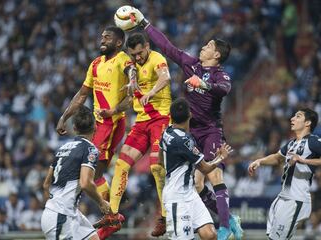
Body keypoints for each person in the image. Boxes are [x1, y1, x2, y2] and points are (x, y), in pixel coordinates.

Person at [128, 7, 243, 240]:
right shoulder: (191, 65)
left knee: (215, 177)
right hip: (191, 132)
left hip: (211, 131)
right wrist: (145, 24)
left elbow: (225, 89)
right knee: (198, 187)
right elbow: (168, 48)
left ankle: (225, 227)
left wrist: (203, 84)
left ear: (217, 55)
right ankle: (229, 218)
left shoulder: (221, 75)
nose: (203, 47)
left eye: (209, 46)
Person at [95, 32, 171, 239]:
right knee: (121, 164)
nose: (138, 58)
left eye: (140, 53)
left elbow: (166, 78)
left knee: (156, 166)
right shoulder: (130, 67)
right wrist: (113, 111)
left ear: (147, 46)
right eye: (134, 55)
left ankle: (164, 217)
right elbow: (130, 99)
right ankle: (112, 214)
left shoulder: (157, 59)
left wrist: (150, 93)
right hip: (141, 122)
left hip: (161, 119)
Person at [56, 26, 138, 203]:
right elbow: (82, 94)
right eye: (102, 37)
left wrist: (132, 81)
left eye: (107, 37)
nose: (102, 40)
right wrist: (64, 117)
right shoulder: (95, 64)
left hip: (111, 122)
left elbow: (131, 70)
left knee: (91, 171)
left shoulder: (122, 59)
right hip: (98, 124)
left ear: (118, 42)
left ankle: (111, 211)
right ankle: (110, 211)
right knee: (92, 173)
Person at [159, 98, 232, 240]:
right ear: (190, 115)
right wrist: (221, 157)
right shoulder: (185, 141)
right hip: (177, 199)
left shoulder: (167, 131)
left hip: (190, 194)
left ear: (171, 116)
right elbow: (205, 168)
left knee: (210, 235)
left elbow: (160, 159)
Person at [248, 108, 321, 240]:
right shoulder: (292, 143)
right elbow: (277, 158)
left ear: (308, 123)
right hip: (282, 198)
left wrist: (303, 160)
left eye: (298, 116)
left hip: (296, 199)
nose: (292, 119)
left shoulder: (313, 141)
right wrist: (260, 161)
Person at [41, 106, 111, 240]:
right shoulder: (90, 149)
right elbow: (85, 183)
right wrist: (101, 202)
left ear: (74, 128)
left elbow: (46, 184)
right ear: (95, 127)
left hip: (66, 213)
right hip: (60, 217)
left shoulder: (63, 147)